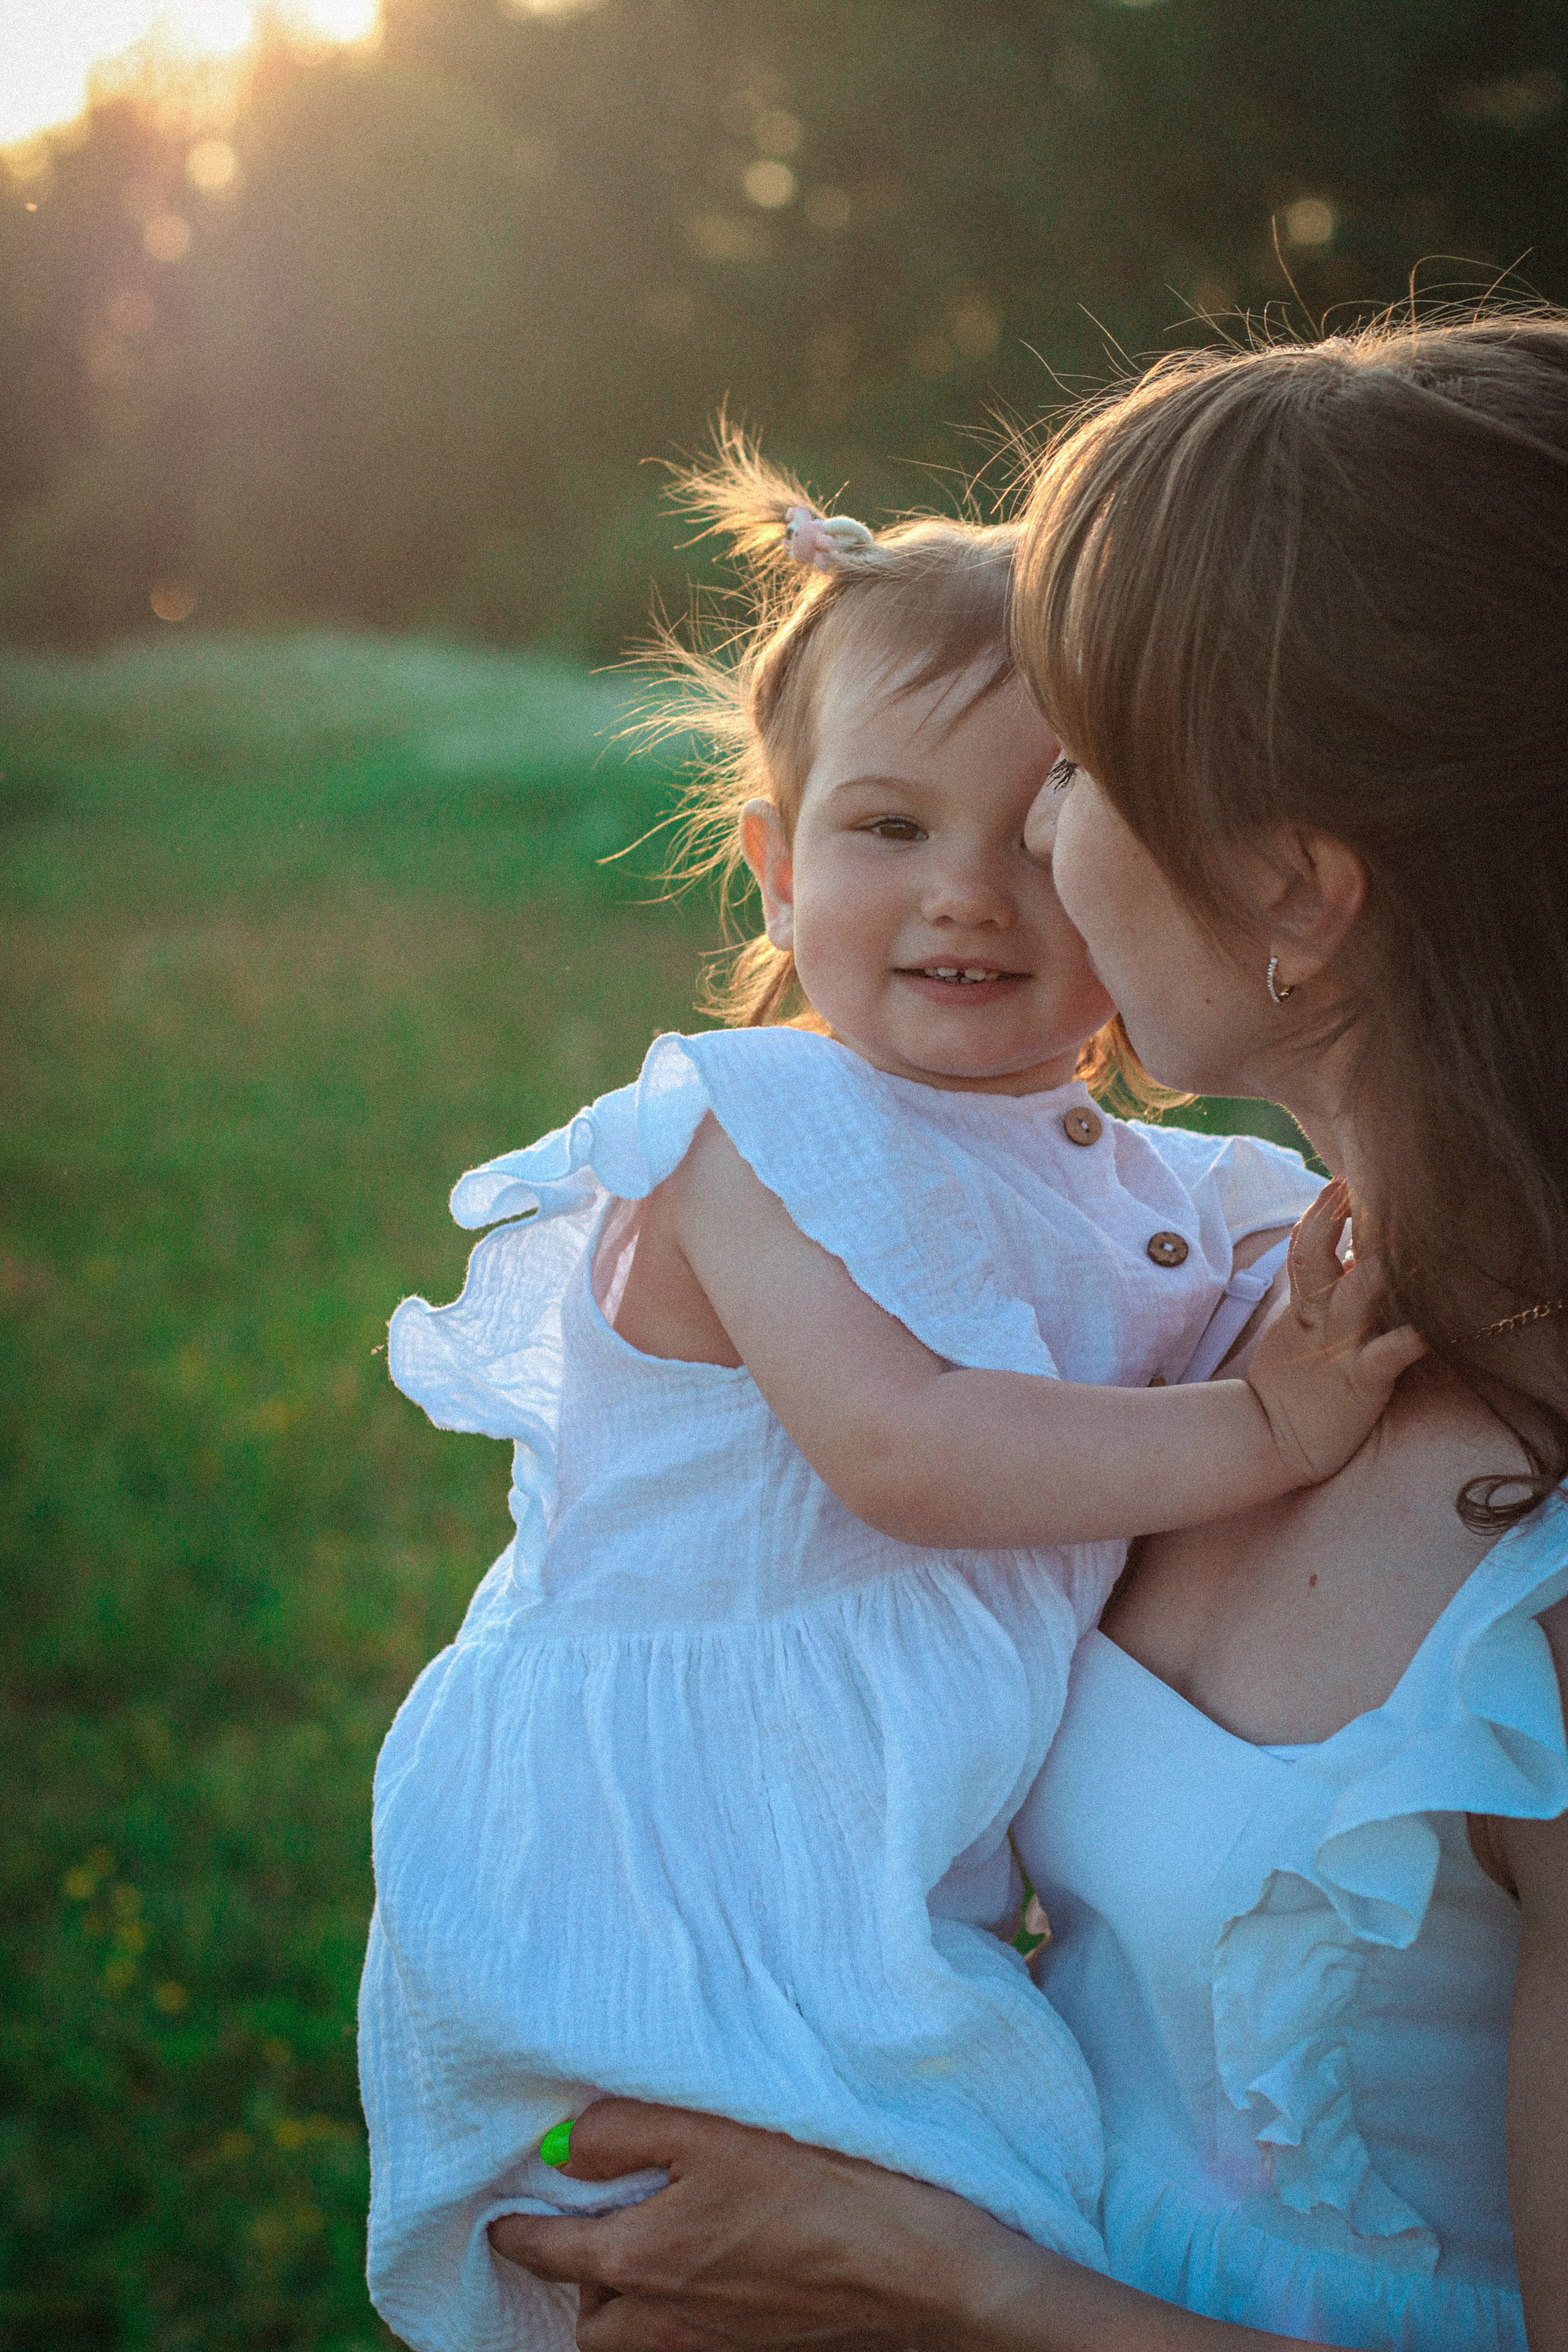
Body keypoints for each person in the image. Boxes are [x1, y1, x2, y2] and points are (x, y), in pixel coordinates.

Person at [482, 317, 1568, 2351]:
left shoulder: (1512, 1551)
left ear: (1294, 889)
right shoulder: (1231, 1306)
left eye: (1065, 771)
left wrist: (936, 2283)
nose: (1007, 861)